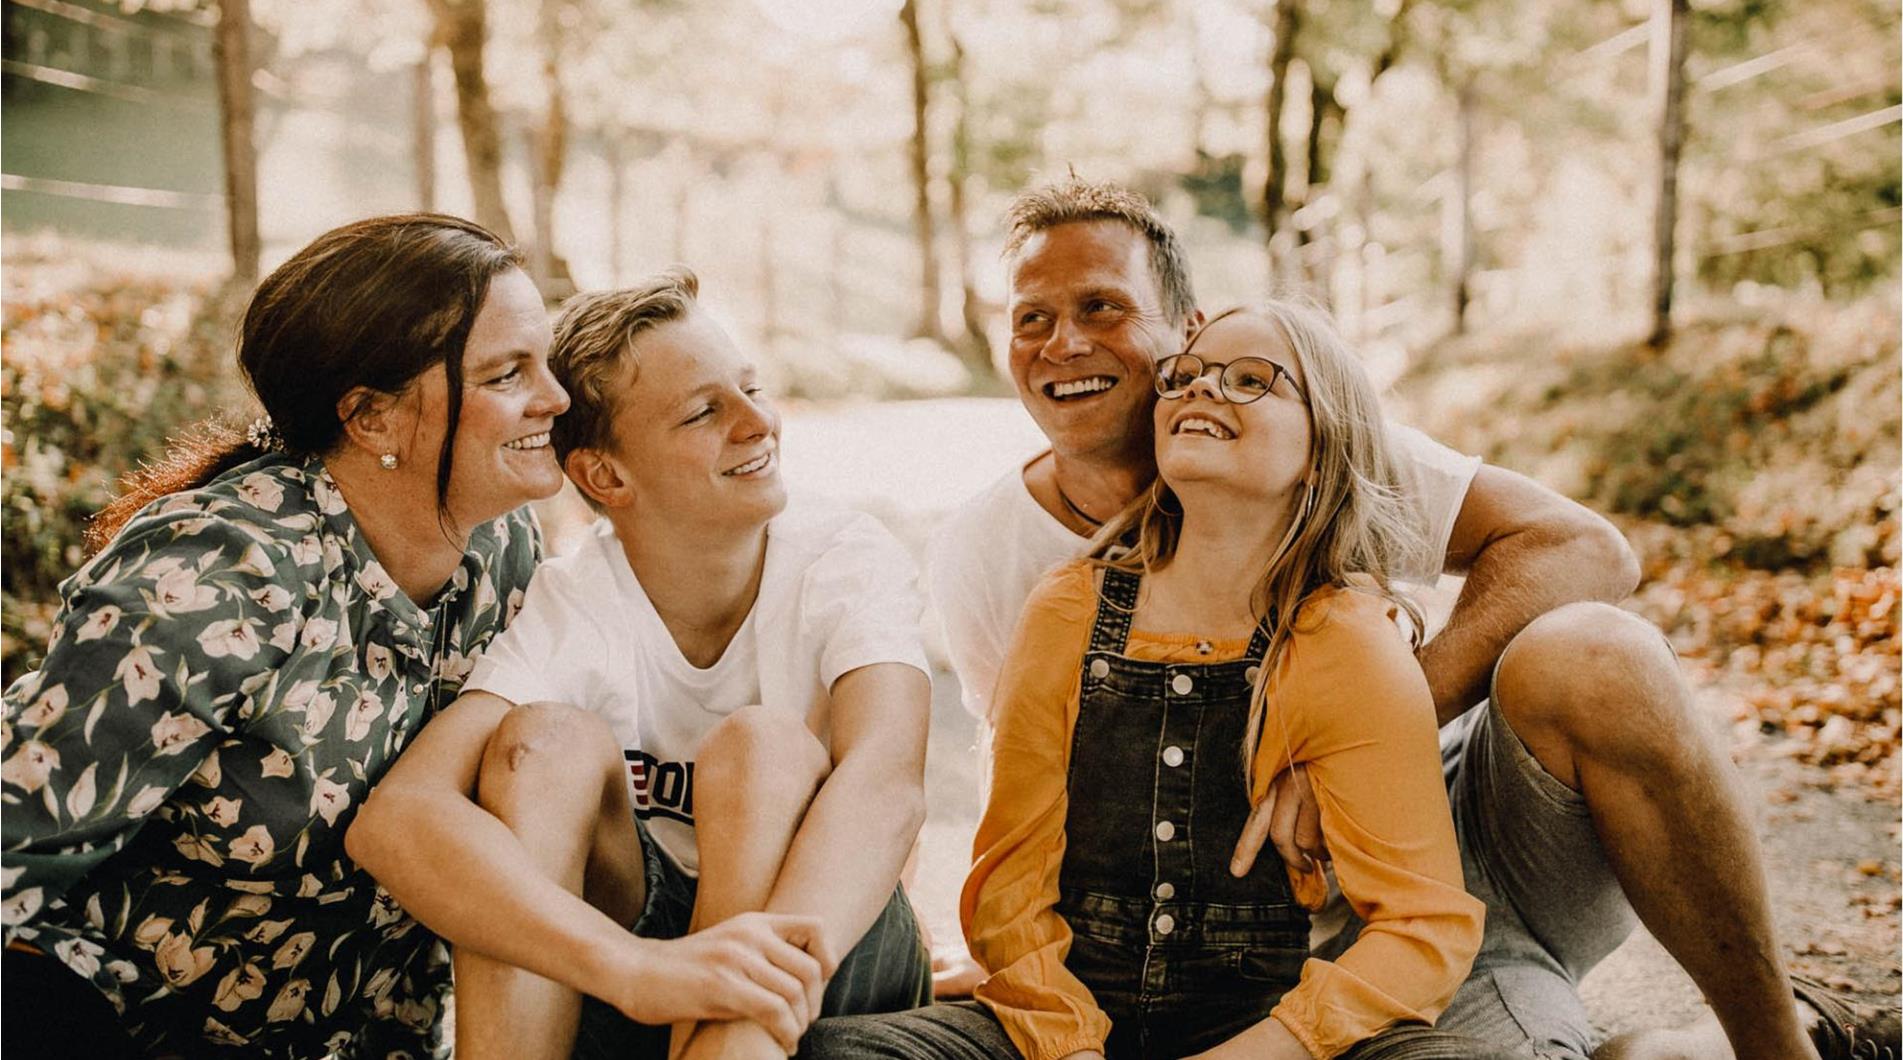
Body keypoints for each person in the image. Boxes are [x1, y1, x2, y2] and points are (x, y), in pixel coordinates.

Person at [922, 178, 1893, 1058]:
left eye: (1103, 306)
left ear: (1186, 323)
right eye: (1031, 318)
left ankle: (1776, 1047)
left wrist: (1354, 735)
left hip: (1467, 852)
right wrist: (1020, 964)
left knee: (1595, 653)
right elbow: (1028, 787)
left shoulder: (1311, 438)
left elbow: (1587, 547)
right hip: (1256, 939)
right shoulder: (996, 555)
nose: (1064, 343)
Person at [0, 215, 830, 1060]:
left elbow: (610, 788)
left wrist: (848, 941)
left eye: (545, 361)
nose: (556, 399)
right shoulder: (221, 575)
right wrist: (632, 970)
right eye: (508, 374)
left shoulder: (501, 549)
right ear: (372, 419)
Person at [808, 301, 1521, 1060]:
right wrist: (1069, 1045)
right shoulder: (1067, 608)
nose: (1201, 390)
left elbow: (1422, 924)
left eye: (1252, 380)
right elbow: (1010, 886)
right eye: (1185, 376)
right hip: (1059, 1030)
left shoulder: (1341, 640)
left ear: (1322, 448)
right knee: (840, 1052)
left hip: (1256, 1038)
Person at [347, 267, 935, 1060]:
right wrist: (635, 968)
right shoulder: (579, 597)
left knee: (760, 745)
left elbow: (886, 784)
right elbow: (398, 818)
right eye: (704, 411)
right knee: (540, 744)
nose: (757, 421)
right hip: (648, 959)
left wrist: (750, 993)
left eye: (750, 388)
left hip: (827, 939)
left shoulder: (843, 558)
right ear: (605, 475)